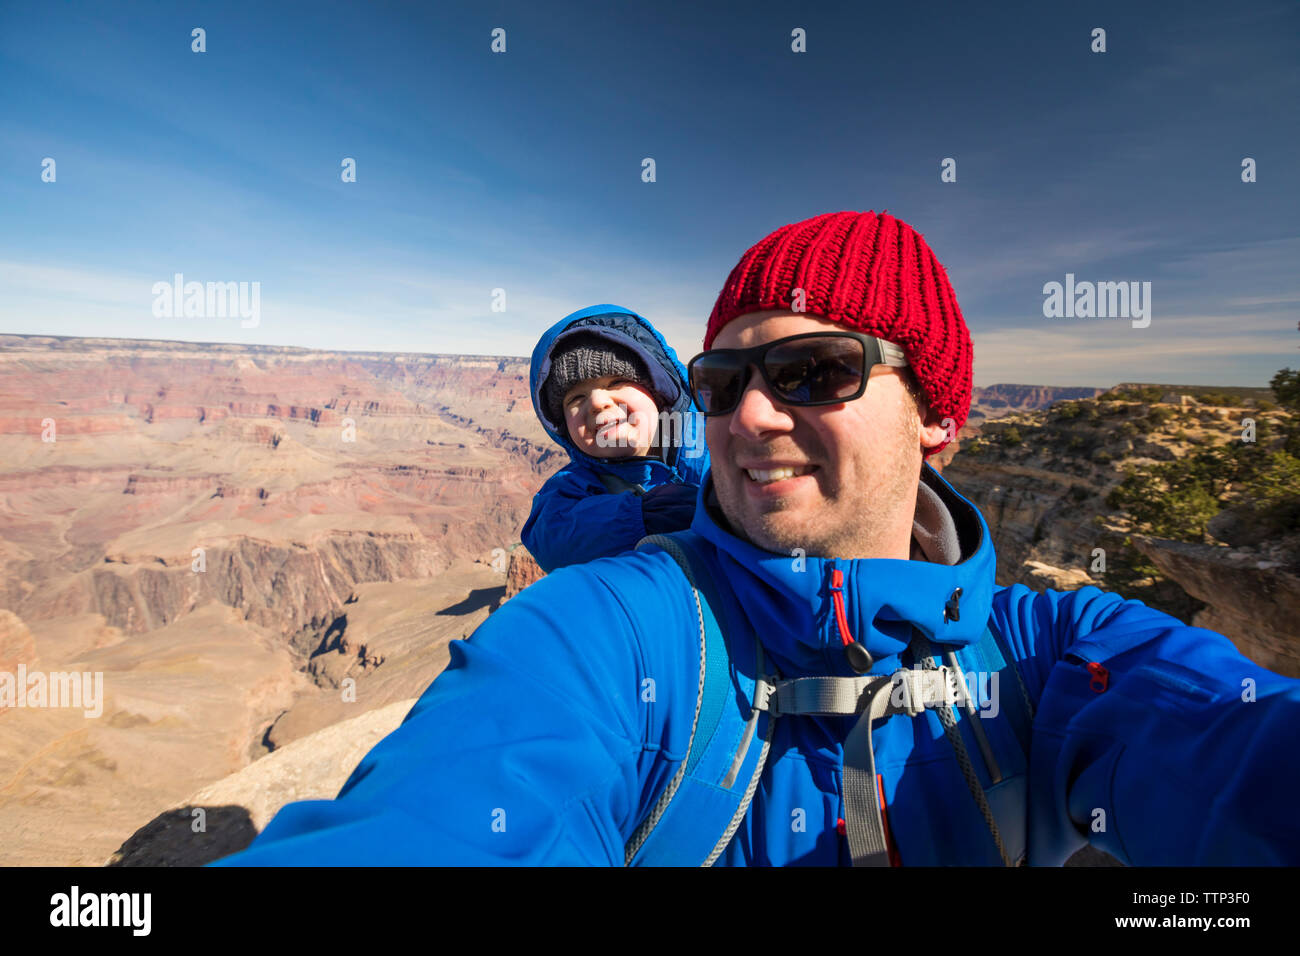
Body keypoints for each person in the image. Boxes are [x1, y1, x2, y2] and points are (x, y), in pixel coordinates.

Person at [213, 211, 1300, 866]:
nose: (753, 414)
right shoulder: (612, 637)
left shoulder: (1059, 650)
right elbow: (444, 810)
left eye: (814, 368)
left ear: (939, 417)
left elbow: (1238, 753)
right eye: (723, 381)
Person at [520, 304, 707, 572]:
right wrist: (638, 518)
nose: (597, 403)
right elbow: (549, 537)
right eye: (576, 398)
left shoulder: (709, 441)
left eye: (615, 382)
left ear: (658, 390)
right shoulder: (574, 485)